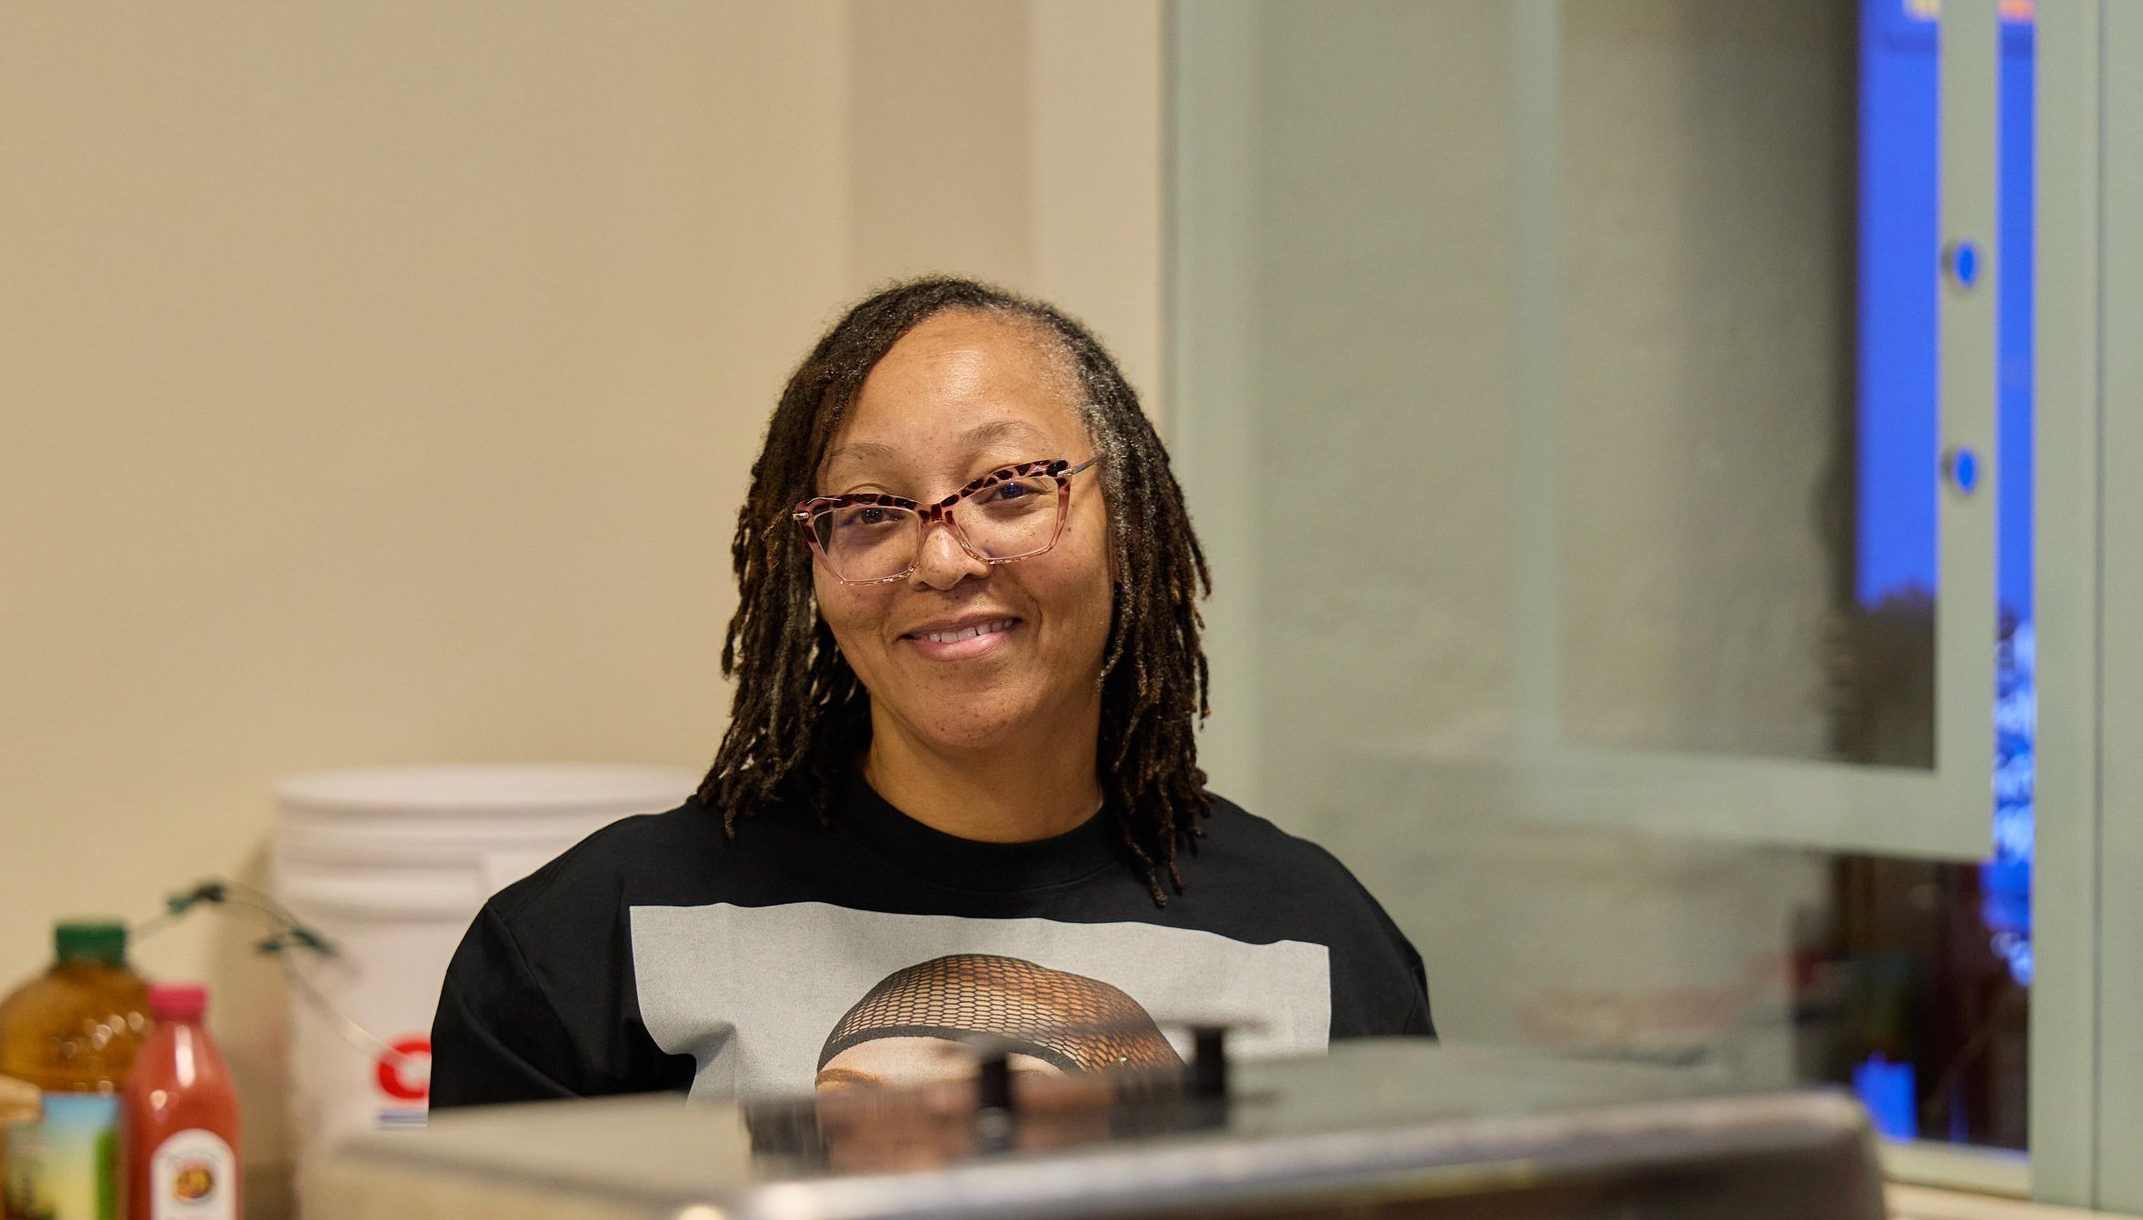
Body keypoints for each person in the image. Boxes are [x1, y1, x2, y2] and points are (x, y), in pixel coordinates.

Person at [430, 277, 1432, 1107]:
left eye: (1007, 488)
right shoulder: (585, 947)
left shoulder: (1310, 942)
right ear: (810, 565)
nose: (942, 556)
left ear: (1127, 518)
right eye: (868, 509)